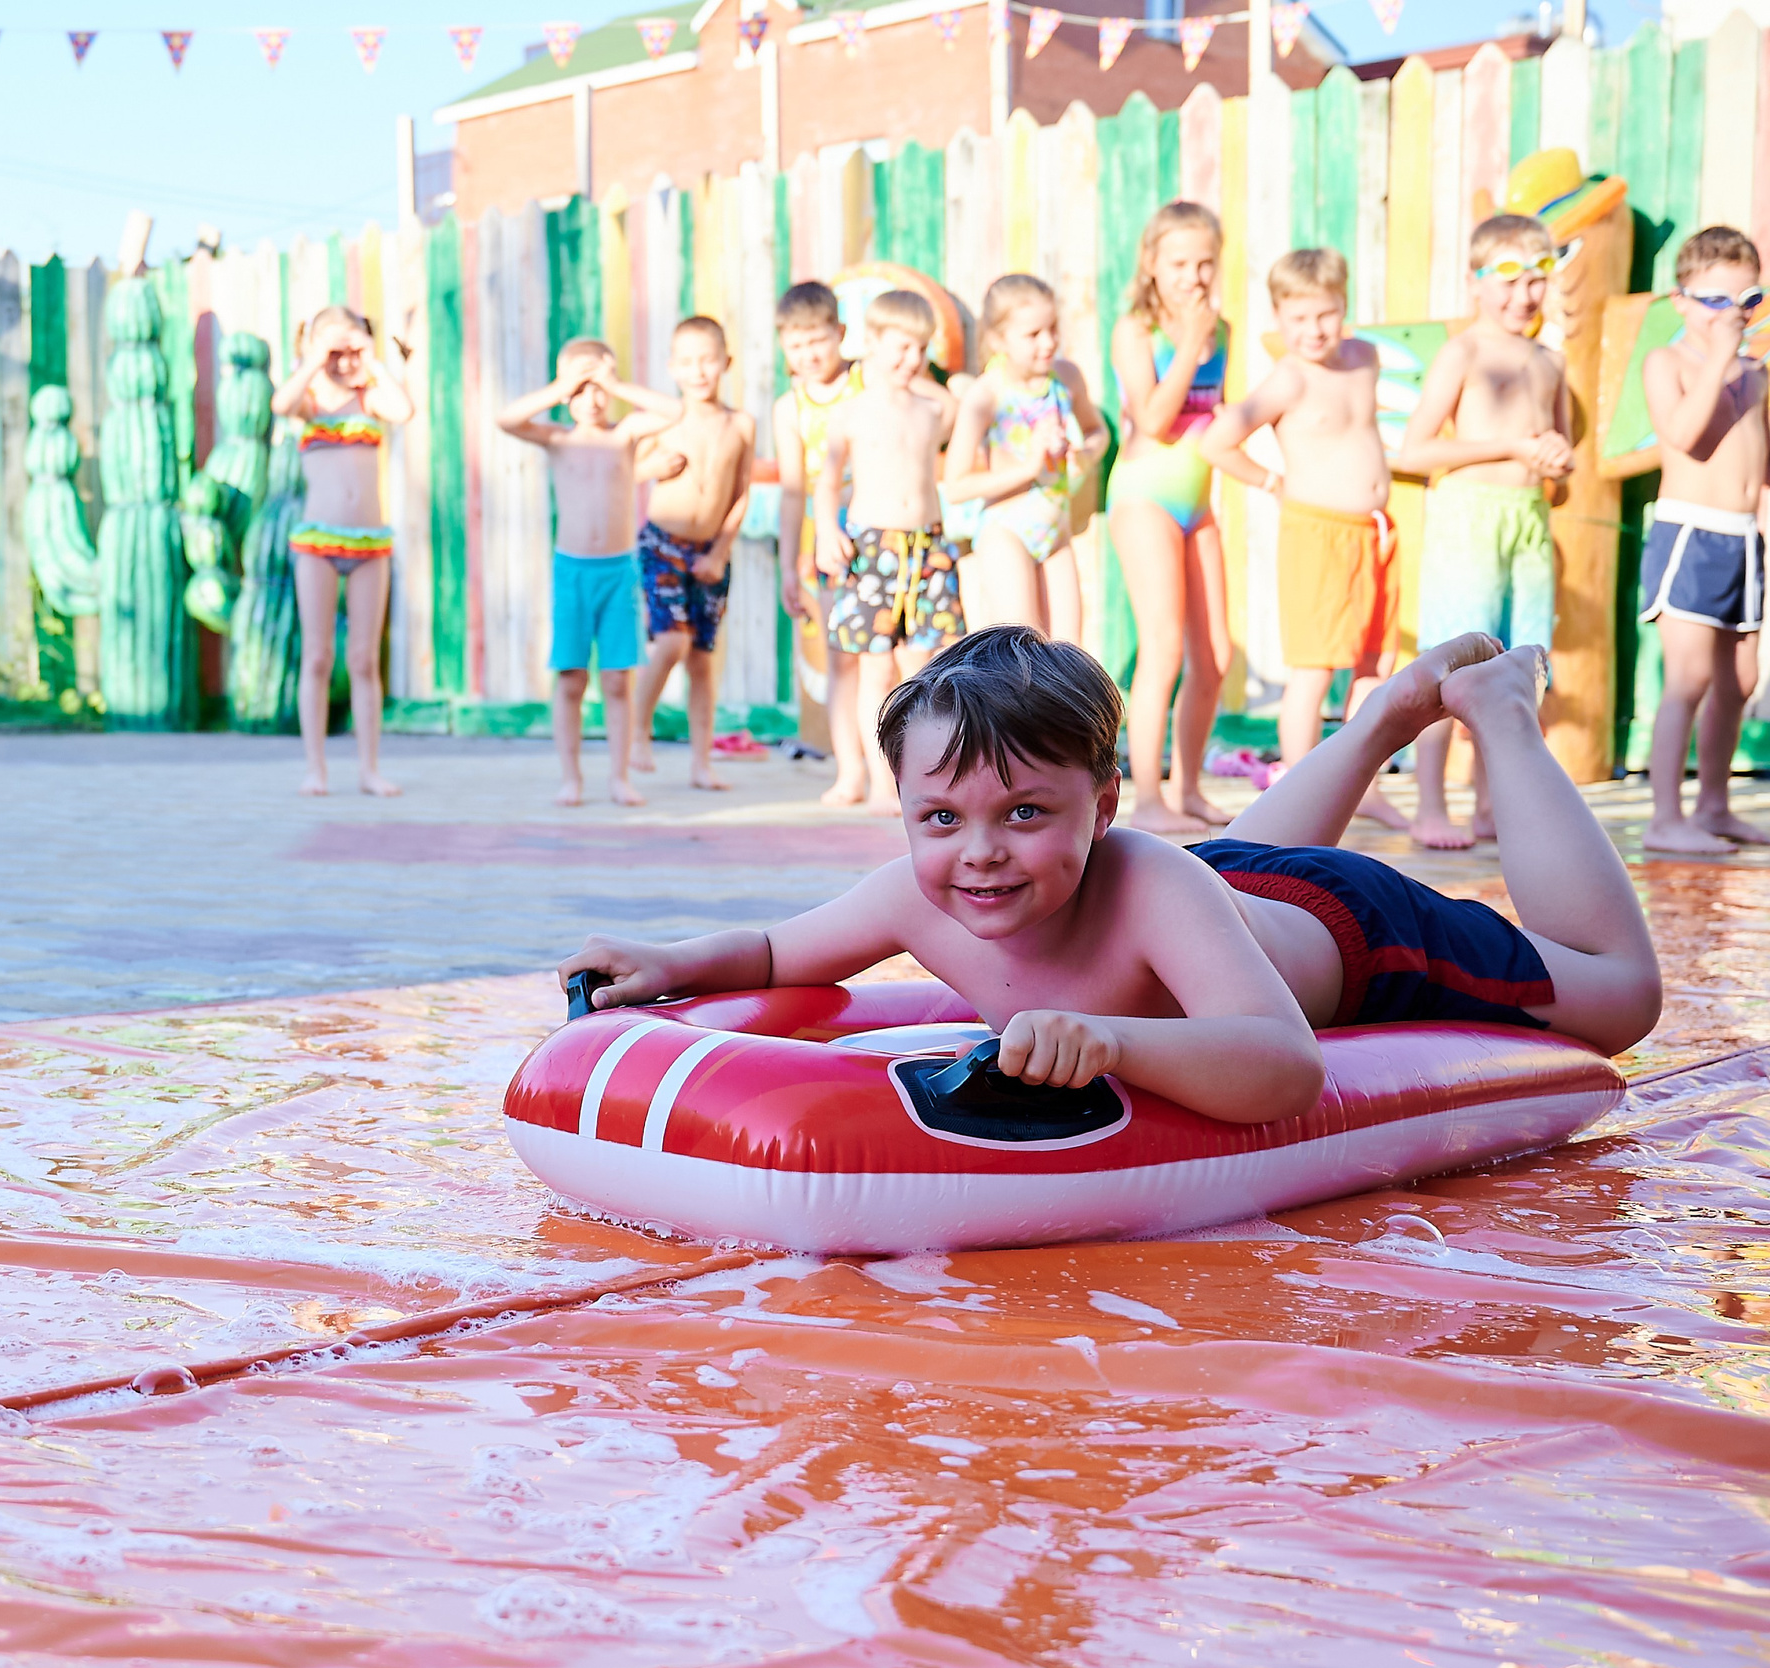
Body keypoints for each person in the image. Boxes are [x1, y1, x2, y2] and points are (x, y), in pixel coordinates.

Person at [559, 627, 1661, 1127]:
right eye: (938, 817)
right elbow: (772, 955)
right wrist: (669, 959)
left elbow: (1281, 1068)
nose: (978, 851)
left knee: (1619, 1001)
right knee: (1226, 868)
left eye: (1024, 813)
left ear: (1103, 808)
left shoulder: (1139, 877)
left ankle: (1497, 712)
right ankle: (1379, 719)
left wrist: (1114, 1043)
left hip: (1344, 931)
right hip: (1222, 888)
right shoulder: (919, 890)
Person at [1201, 246, 1409, 830]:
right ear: (1278, 317)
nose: (1313, 330)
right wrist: (1272, 481)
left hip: (1375, 531)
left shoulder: (1364, 358)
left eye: (1324, 315)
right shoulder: (1289, 378)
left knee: (1374, 665)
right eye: (1297, 319)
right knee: (1315, 669)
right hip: (1317, 532)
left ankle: (1365, 786)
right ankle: (1298, 787)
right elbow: (1218, 441)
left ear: (1344, 307)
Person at [1393, 214, 1574, 849]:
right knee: (1452, 666)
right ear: (1476, 282)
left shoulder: (1550, 360)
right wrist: (1507, 446)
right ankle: (1432, 805)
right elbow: (1412, 451)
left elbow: (1563, 461)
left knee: (1524, 669)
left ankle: (1494, 805)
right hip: (1469, 519)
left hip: (1528, 522)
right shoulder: (1464, 351)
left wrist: (1556, 462)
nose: (1523, 293)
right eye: (1508, 278)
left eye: (1537, 278)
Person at [496, 338, 685, 807]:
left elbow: (674, 411)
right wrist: (563, 385)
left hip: (618, 571)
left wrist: (613, 381)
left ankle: (620, 777)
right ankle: (571, 777)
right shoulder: (559, 437)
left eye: (598, 386)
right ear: (565, 393)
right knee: (571, 678)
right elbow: (507, 419)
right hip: (573, 572)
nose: (592, 397)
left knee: (619, 679)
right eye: (581, 389)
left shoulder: (624, 434)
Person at [1636, 225, 1770, 856]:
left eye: (1748, 302)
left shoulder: (1757, 374)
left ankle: (1714, 803)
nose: (1732, 319)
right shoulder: (1670, 362)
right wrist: (1719, 358)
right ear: (1681, 301)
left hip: (1744, 539)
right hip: (1690, 533)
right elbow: (1686, 437)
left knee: (1738, 679)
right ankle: (1665, 816)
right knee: (1687, 677)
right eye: (1717, 303)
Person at [1106, 201, 1235, 835]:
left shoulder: (1225, 331)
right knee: (1161, 648)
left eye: (1205, 262)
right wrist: (1187, 343)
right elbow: (1154, 421)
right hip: (1143, 497)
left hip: (1197, 501)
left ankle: (1189, 787)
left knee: (1214, 653)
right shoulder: (1135, 330)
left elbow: (1221, 423)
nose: (1194, 275)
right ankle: (1148, 795)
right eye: (1179, 262)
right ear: (1152, 265)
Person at [810, 289, 962, 815]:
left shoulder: (933, 407)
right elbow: (827, 483)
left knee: (926, 668)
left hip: (927, 545)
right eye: (899, 348)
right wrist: (827, 529)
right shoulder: (851, 413)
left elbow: (958, 405)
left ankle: (924, 775)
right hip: (874, 545)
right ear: (869, 343)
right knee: (875, 669)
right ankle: (878, 779)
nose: (911, 360)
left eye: (920, 349)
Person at [271, 304, 416, 798]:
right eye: (333, 349)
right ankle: (316, 768)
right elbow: (280, 404)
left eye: (349, 347)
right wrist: (314, 359)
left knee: (362, 659)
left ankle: (369, 768)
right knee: (317, 656)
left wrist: (372, 360)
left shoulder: (370, 399)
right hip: (318, 545)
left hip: (370, 545)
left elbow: (405, 410)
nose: (342, 359)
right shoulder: (311, 401)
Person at [940, 273, 1109, 645]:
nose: (1048, 342)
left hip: (1055, 531)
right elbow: (956, 486)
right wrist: (1029, 468)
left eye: (1052, 329)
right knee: (1020, 654)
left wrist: (1085, 454)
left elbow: (1099, 431)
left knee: (1068, 654)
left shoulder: (1066, 378)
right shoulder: (987, 395)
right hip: (1006, 531)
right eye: (1032, 335)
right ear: (999, 339)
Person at [627, 315, 758, 791]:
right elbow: (625, 470)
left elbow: (741, 493)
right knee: (670, 643)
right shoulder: (665, 419)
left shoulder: (741, 424)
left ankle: (702, 762)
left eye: (707, 360)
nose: (698, 371)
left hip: (710, 552)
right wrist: (651, 465)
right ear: (671, 368)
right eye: (687, 362)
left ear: (726, 361)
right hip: (663, 544)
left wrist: (721, 551)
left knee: (702, 656)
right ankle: (636, 734)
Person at [769, 280, 871, 807]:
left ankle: (889, 768)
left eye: (818, 340)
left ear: (842, 334)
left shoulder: (868, 381)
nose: (809, 355)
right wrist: (789, 567)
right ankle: (849, 769)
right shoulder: (790, 408)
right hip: (829, 541)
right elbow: (792, 493)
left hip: (884, 529)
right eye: (796, 345)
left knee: (888, 660)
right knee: (842, 656)